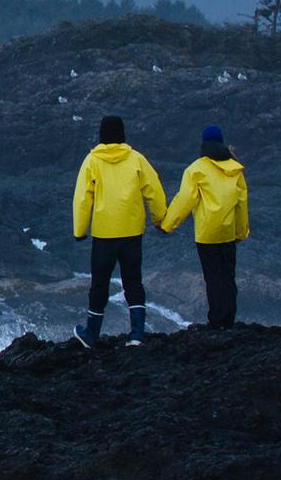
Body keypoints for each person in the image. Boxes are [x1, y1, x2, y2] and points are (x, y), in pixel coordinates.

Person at [71, 115, 167, 347]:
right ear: (122, 134)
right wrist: (160, 219)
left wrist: (80, 230)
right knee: (133, 282)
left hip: (104, 233)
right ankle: (136, 335)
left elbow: (83, 197)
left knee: (99, 284)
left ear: (101, 135)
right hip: (131, 232)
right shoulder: (136, 159)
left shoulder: (92, 160)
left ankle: (91, 335)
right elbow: (153, 190)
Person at [159, 125, 249, 327]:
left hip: (207, 233)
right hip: (228, 233)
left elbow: (184, 200)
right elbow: (241, 204)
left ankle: (216, 320)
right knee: (228, 277)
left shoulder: (196, 169)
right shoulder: (236, 169)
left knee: (213, 277)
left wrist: (167, 224)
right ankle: (228, 319)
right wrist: (240, 232)